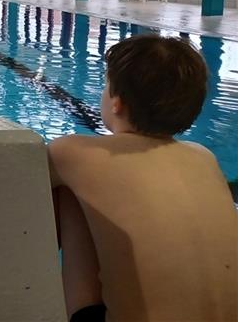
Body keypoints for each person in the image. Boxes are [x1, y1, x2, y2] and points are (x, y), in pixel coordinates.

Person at [49, 35, 237, 322]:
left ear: (117, 102)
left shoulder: (74, 153)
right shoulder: (203, 156)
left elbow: (21, 187)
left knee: (71, 194)